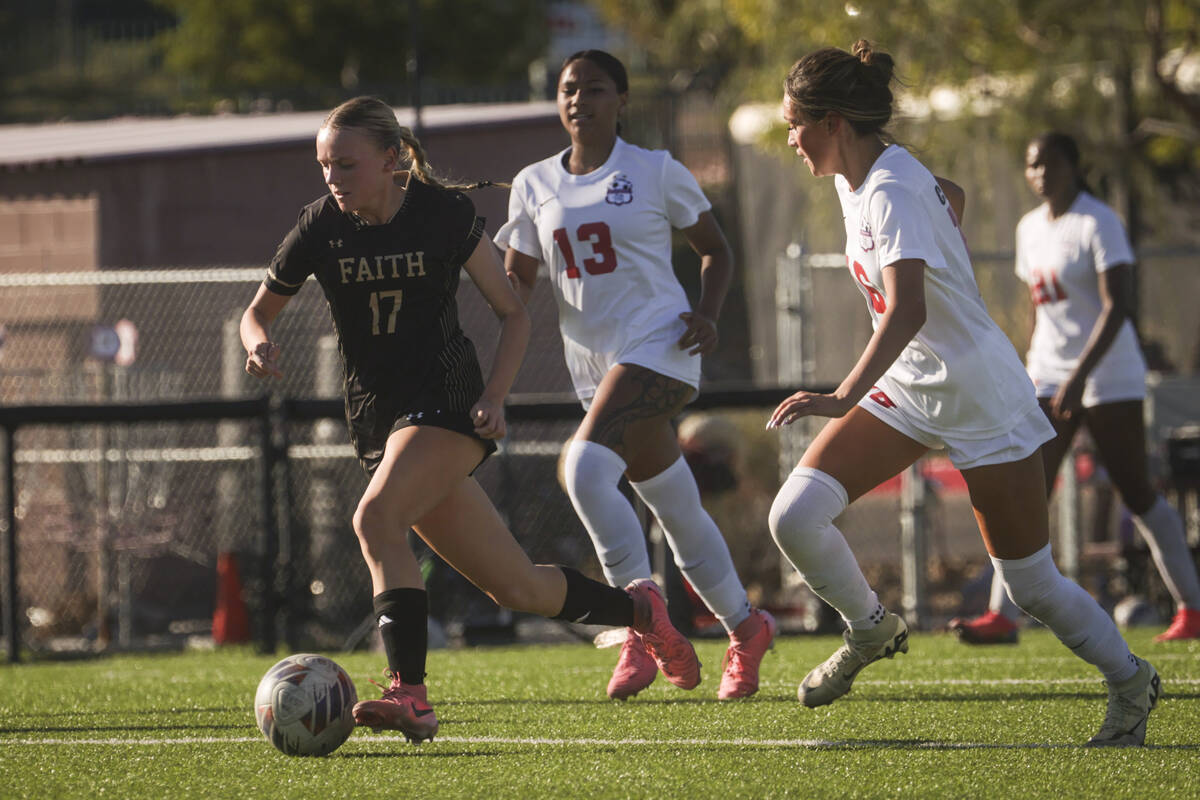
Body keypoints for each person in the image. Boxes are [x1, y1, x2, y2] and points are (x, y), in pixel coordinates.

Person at [240, 96, 700, 743]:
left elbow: (515, 314)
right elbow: (256, 311)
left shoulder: (442, 215)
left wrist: (496, 395)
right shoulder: (320, 226)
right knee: (516, 588)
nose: (333, 179)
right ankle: (640, 610)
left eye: (346, 164)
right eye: (324, 166)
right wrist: (256, 340)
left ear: (392, 160)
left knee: (375, 519)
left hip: (449, 407)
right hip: (378, 423)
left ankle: (412, 697)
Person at [768, 42, 1159, 746]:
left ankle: (1132, 682)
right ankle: (870, 629)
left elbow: (907, 309)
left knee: (1032, 585)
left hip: (979, 394)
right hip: (909, 391)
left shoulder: (887, 188)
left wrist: (841, 394)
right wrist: (936, 226)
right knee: (794, 516)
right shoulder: (859, 178)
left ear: (831, 123)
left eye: (794, 125)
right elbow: (955, 197)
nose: (790, 140)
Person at [496, 50, 775, 701]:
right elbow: (515, 284)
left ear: (621, 101)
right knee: (674, 506)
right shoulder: (533, 182)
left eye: (594, 89)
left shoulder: (653, 169)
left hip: (662, 345)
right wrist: (463, 255)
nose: (578, 100)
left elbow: (715, 250)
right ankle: (746, 624)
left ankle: (640, 628)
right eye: (569, 90)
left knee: (583, 469)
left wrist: (707, 312)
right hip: (594, 368)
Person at [949, 131, 1200, 644]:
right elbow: (1040, 311)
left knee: (1135, 489)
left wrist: (1082, 374)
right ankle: (1004, 616)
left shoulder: (1097, 221)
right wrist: (1024, 366)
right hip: (1048, 374)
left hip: (1109, 375)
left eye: (1049, 163)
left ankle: (1192, 608)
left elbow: (1118, 305)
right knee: (1026, 487)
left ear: (1072, 164)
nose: (1039, 173)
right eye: (1031, 165)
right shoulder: (1029, 228)